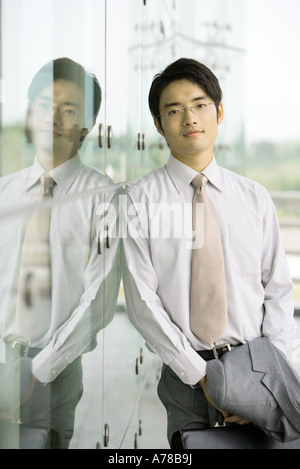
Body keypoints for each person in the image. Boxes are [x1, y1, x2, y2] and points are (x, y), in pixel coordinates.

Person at [121, 58, 297, 447]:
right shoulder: (138, 201)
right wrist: (204, 378)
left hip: (259, 367)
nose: (189, 118)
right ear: (158, 123)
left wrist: (269, 374)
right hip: (188, 377)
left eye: (200, 105)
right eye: (174, 110)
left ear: (219, 111)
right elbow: (141, 302)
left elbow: (278, 292)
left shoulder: (254, 197)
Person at [0, 58, 120, 448]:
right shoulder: (3, 193)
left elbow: (99, 300)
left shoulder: (105, 199)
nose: (52, 117)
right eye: (44, 104)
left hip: (54, 372)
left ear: (86, 126)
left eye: (68, 109)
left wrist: (38, 370)